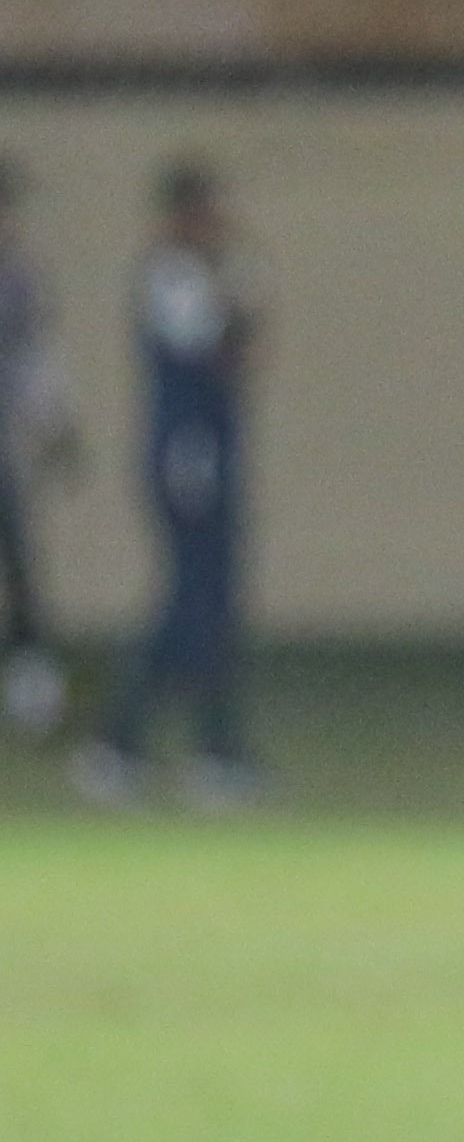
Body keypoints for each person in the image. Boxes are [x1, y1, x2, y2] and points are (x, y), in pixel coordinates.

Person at [74, 159, 256, 805]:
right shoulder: (171, 276)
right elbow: (218, 350)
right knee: (190, 603)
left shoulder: (205, 273)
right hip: (188, 456)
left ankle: (201, 742)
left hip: (211, 453)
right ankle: (139, 740)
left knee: (207, 604)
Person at [0, 158, 77, 738]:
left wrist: (55, 424)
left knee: (22, 571)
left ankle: (32, 695)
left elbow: (33, 359)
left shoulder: (18, 276)